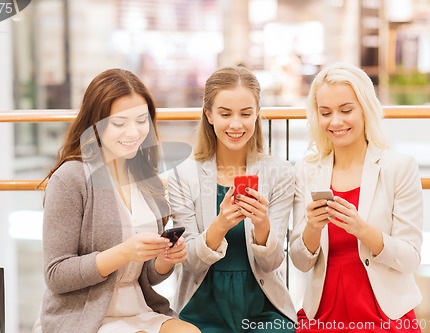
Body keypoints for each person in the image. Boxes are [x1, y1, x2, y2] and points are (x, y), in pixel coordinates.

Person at [34, 68, 200, 333]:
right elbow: (56, 274)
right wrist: (123, 252)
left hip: (139, 308)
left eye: (141, 121)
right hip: (84, 315)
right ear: (95, 124)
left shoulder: (145, 177)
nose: (133, 133)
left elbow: (148, 276)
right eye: (120, 123)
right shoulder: (71, 178)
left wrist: (166, 258)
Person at [289, 62, 423, 332]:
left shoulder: (398, 167)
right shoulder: (307, 170)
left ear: (365, 108)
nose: (335, 121)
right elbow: (301, 262)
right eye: (325, 112)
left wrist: (362, 230)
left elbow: (410, 258)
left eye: (346, 110)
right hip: (324, 312)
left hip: (384, 313)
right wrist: (313, 228)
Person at [168, 66, 297, 332]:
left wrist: (262, 225)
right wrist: (220, 225)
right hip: (202, 304)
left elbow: (272, 263)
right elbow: (190, 262)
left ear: (257, 114)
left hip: (262, 305)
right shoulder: (184, 175)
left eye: (246, 114)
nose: (236, 124)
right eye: (225, 114)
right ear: (209, 115)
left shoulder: (280, 173)